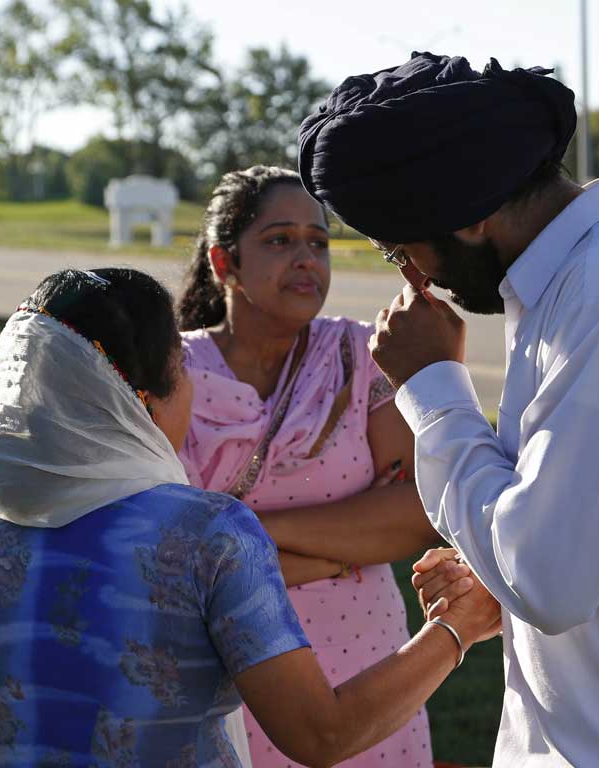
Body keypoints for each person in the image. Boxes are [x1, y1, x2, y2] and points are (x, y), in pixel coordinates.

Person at [299, 51, 599, 766]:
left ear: (467, 219)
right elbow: (582, 536)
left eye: (398, 249)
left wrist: (433, 387)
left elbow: (549, 580)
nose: (410, 275)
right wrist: (493, 565)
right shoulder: (576, 283)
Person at [0, 267, 500, 768]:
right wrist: (455, 629)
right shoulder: (205, 535)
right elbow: (322, 734)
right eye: (183, 369)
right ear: (139, 402)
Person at [177, 165, 440, 767]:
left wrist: (244, 532)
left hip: (365, 668)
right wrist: (345, 546)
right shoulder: (173, 373)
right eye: (279, 240)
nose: (305, 258)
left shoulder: (359, 355)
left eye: (318, 243)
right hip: (221, 675)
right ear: (225, 263)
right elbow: (172, 552)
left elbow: (418, 512)